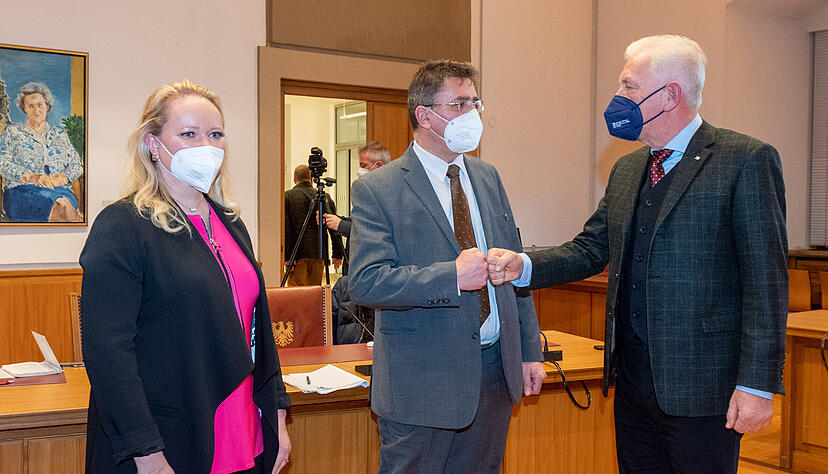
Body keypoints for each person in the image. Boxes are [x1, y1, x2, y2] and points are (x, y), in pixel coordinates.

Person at [488, 35, 787, 473]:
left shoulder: (745, 160)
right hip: (631, 382)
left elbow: (767, 284)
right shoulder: (627, 169)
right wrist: (524, 265)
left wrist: (757, 385)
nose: (617, 98)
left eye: (628, 86)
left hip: (703, 388)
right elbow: (591, 248)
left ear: (670, 95)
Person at [80, 80, 291, 473]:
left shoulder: (231, 223)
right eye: (188, 134)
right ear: (152, 144)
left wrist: (277, 415)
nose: (206, 146)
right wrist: (146, 453)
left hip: (242, 426)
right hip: (168, 439)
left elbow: (257, 330)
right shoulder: (123, 225)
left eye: (215, 134)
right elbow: (108, 354)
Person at [348, 60, 546, 473]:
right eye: (459, 104)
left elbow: (514, 272)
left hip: (493, 375)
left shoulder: (488, 177)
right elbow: (366, 283)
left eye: (475, 102)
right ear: (424, 115)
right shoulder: (377, 188)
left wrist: (529, 351)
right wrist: (451, 276)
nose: (472, 114)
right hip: (421, 384)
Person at [0, 81, 82, 222]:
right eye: (30, 106)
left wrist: (61, 178)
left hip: (59, 189)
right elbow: (2, 163)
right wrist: (33, 177)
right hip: (22, 191)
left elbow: (76, 165)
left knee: (63, 202)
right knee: (60, 204)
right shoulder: (13, 132)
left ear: (47, 106)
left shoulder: (60, 134)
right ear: (24, 108)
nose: (36, 110)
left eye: (40, 105)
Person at [321, 140, 391, 276]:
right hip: (356, 266)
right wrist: (335, 220)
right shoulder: (370, 191)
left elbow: (374, 232)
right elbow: (358, 221)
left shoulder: (389, 194)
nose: (360, 170)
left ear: (378, 165)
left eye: (363, 165)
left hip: (372, 268)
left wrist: (341, 225)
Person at [283, 164, 343, 286]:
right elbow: (333, 226)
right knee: (314, 293)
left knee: (296, 295)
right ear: (311, 179)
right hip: (318, 253)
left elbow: (287, 229)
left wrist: (288, 257)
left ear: (295, 180)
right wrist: (337, 253)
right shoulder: (324, 197)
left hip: (297, 255)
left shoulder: (288, 196)